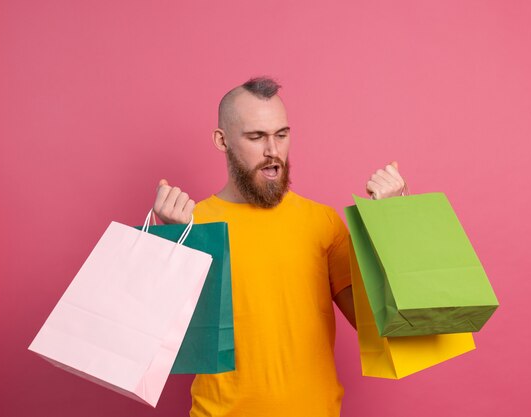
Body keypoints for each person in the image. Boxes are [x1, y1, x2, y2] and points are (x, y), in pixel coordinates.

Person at [152, 77, 408, 417]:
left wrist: (393, 220)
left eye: (281, 134)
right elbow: (161, 342)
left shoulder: (322, 222)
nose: (273, 151)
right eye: (256, 137)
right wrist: (171, 243)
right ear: (222, 139)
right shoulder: (191, 223)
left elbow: (378, 323)